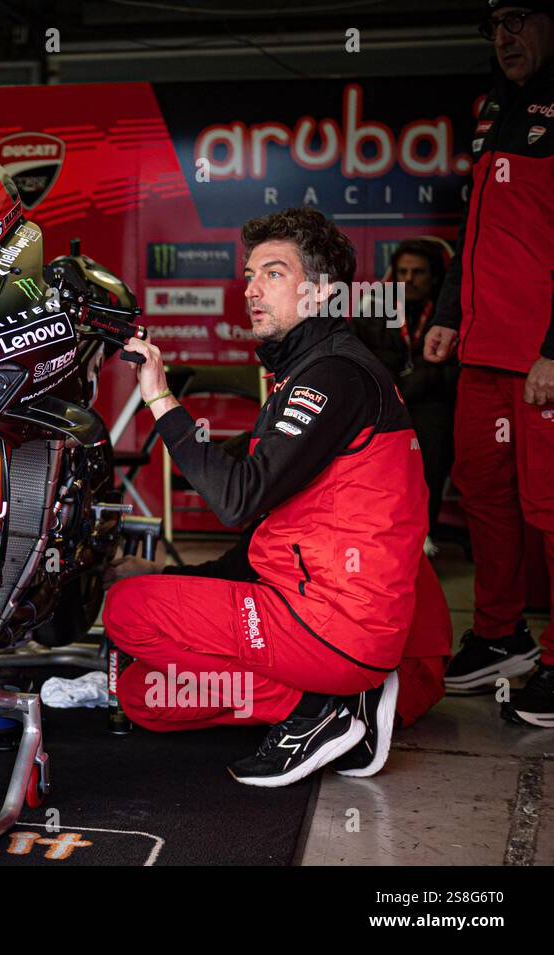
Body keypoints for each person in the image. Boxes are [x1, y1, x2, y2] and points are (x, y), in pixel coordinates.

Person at [106, 208, 438, 787]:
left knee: (126, 610)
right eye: (250, 273)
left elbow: (236, 498)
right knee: (142, 694)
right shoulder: (308, 371)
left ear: (321, 292)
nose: (252, 288)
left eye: (274, 273)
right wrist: (184, 576)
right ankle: (326, 701)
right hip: (318, 611)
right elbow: (267, 528)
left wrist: (160, 399)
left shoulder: (333, 375)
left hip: (335, 624)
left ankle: (330, 709)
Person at [422, 1, 554, 725]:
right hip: (484, 351)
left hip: (542, 357)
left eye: (520, 18)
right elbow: (473, 226)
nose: (504, 37)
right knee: (483, 492)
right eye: (493, 25)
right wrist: (446, 314)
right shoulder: (490, 107)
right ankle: (502, 633)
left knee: (552, 509)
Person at [349, 238, 457, 547]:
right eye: (403, 272)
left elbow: (452, 369)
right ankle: (384, 543)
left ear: (434, 276)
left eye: (418, 272)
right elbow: (362, 358)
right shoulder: (375, 305)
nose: (409, 279)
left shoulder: (448, 311)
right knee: (383, 471)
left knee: (429, 463)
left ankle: (425, 537)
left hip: (433, 402)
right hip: (387, 402)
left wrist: (419, 384)